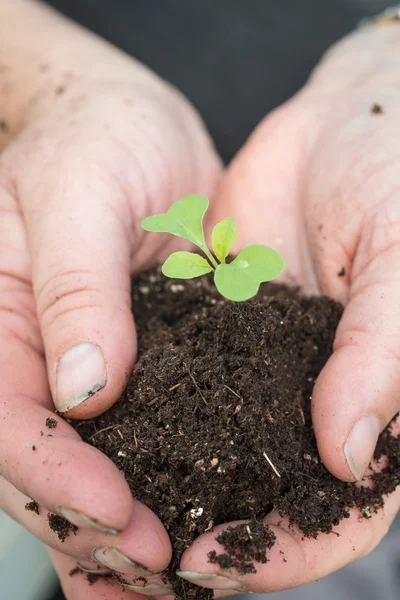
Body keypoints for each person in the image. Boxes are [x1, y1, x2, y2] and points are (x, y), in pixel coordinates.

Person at [0, 1, 398, 598]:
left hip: (340, 227)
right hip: (110, 194)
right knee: (94, 526)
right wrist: (48, 86)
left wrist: (387, 59)